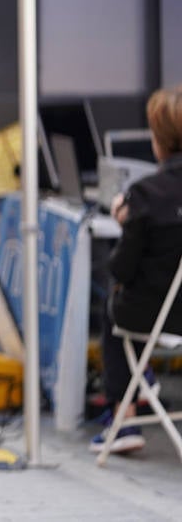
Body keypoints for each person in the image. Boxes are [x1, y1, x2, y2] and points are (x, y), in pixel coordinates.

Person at [90, 85, 182, 455]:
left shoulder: (145, 194)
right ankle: (140, 381)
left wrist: (124, 221)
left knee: (115, 300)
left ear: (159, 141)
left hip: (158, 314)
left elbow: (123, 268)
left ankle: (125, 416)